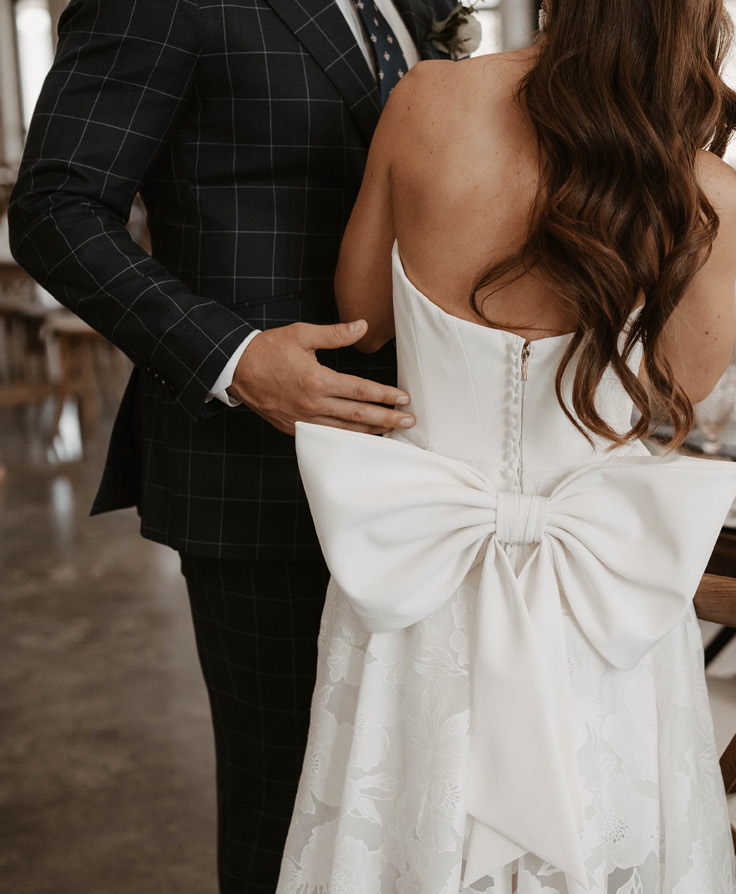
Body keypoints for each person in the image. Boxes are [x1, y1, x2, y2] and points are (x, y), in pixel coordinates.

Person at [275, 0, 736, 890]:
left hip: (423, 583)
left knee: (404, 823)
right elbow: (684, 390)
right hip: (599, 597)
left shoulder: (426, 101)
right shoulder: (701, 188)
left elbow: (359, 316)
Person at [6, 1, 463, 891]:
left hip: (427, 473)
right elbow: (56, 208)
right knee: (289, 807)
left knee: (405, 801)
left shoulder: (414, 7)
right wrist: (234, 356)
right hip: (258, 475)